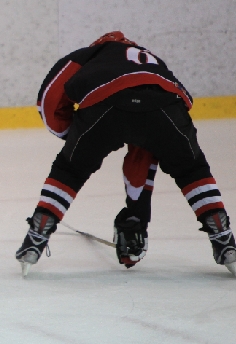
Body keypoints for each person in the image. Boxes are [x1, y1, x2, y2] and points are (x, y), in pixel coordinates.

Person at [16, 31, 236, 276]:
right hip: (166, 107)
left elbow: (50, 99)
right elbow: (154, 140)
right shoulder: (150, 59)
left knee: (69, 171)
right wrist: (136, 214)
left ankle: (39, 232)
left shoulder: (88, 55)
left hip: (105, 104)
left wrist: (73, 137)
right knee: (192, 170)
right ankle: (222, 234)